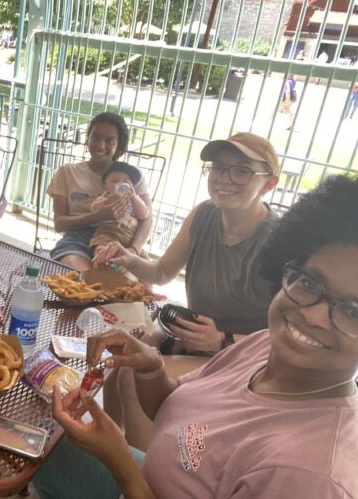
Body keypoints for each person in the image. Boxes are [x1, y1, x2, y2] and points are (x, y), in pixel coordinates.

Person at [33, 173, 358, 499]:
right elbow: (173, 410)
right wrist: (150, 368)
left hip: (134, 481)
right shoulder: (266, 345)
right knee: (38, 440)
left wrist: (119, 458)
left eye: (353, 311)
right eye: (309, 283)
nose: (312, 316)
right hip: (143, 473)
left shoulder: (312, 478)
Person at [93, 132, 280, 449]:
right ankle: (114, 452)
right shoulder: (204, 214)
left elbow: (284, 336)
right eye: (218, 167)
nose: (224, 178)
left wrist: (224, 340)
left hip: (244, 357)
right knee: (121, 359)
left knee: (134, 375)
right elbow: (162, 272)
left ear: (268, 184)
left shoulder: (277, 243)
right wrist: (129, 258)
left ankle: (140, 472)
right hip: (191, 334)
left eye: (241, 170)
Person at [47, 112, 153, 271]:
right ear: (88, 138)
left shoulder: (130, 178)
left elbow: (147, 218)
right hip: (77, 240)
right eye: (95, 137)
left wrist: (133, 250)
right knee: (83, 279)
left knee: (124, 284)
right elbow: (59, 224)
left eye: (110, 140)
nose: (101, 145)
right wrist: (98, 216)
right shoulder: (67, 172)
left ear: (119, 145)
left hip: (121, 239)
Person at [88, 161, 150, 256]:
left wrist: (134, 198)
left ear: (132, 186)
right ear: (105, 186)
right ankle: (102, 258)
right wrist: (108, 200)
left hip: (130, 235)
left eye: (126, 182)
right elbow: (94, 208)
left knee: (144, 259)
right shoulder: (105, 196)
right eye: (114, 181)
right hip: (108, 231)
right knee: (101, 247)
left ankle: (122, 262)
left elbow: (144, 215)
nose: (121, 184)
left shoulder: (135, 198)